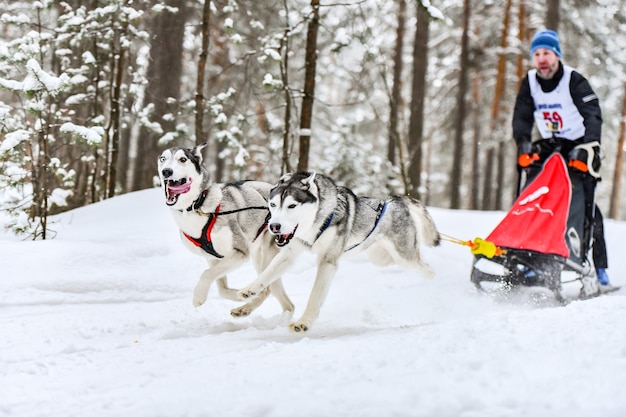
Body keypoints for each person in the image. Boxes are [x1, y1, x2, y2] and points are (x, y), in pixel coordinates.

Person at [512, 29, 612, 291]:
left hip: (579, 144)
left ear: (556, 55)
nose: (542, 59)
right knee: (532, 196)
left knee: (584, 204)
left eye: (546, 53)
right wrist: (523, 143)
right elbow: (522, 116)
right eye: (537, 54)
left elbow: (593, 114)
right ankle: (526, 255)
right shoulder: (531, 81)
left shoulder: (573, 80)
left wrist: (590, 145)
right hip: (549, 145)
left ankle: (599, 268)